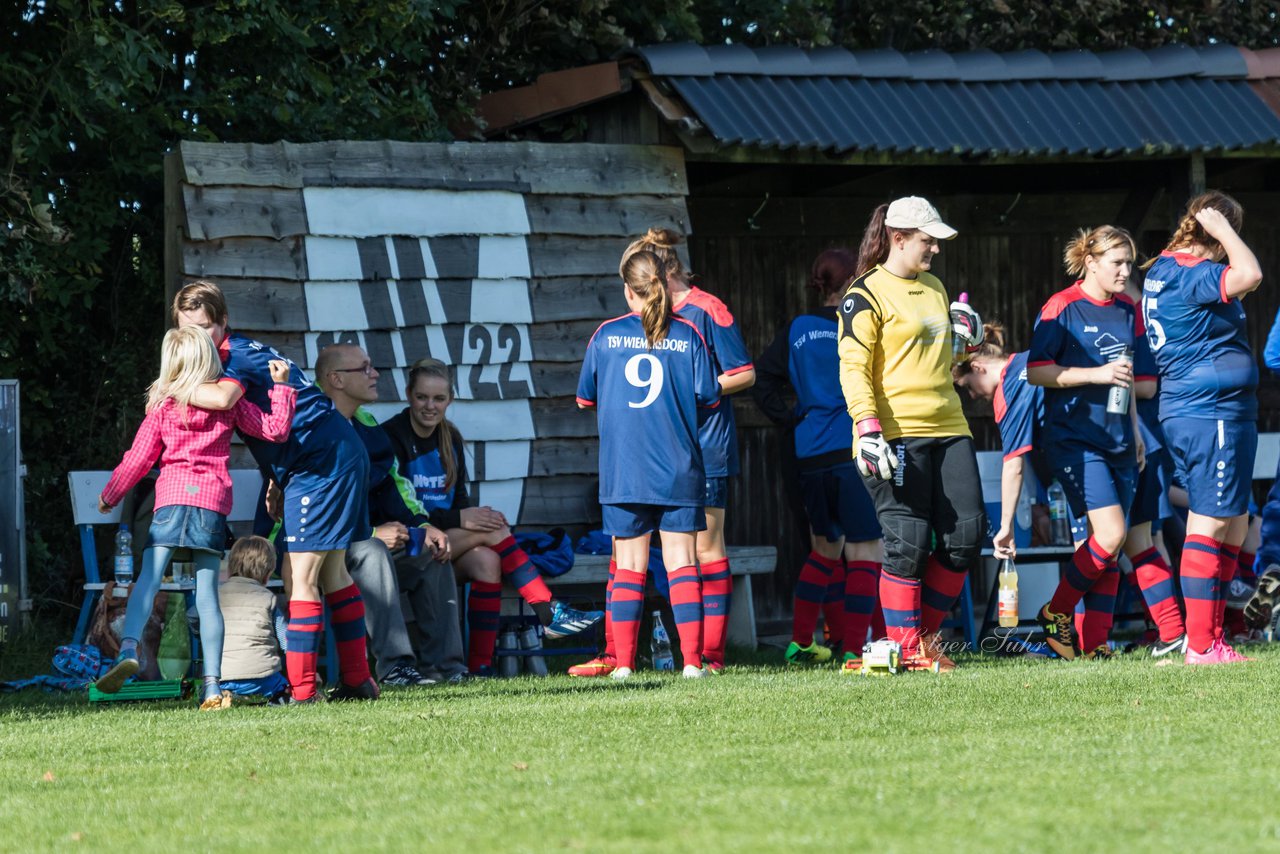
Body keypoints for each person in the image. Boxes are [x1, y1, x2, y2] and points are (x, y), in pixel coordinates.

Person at [172, 280, 377, 702]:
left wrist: (171, 383)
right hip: (332, 453)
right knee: (334, 573)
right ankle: (358, 680)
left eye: (204, 328)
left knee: (297, 577)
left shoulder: (231, 357)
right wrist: (275, 476)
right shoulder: (245, 348)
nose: (197, 339)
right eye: (187, 330)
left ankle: (303, 692)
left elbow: (224, 398)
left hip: (320, 463)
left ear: (223, 323)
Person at [93, 326, 296, 708]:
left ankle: (129, 649)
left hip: (170, 499)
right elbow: (275, 431)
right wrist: (282, 388)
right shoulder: (228, 404)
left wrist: (110, 496)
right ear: (210, 359)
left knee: (148, 580)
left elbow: (137, 461)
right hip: (211, 504)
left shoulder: (162, 407)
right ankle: (213, 686)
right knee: (207, 596)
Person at [838, 197, 986, 672]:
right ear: (898, 238)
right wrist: (866, 427)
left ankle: (914, 641)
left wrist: (967, 341)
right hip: (892, 433)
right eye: (928, 241)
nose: (935, 250)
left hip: (948, 425)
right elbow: (853, 367)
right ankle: (907, 648)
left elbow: (940, 361)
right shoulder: (864, 294)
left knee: (966, 536)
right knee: (909, 540)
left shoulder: (936, 288)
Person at [382, 358, 603, 674]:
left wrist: (462, 517)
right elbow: (398, 508)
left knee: (488, 560)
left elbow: (458, 502)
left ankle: (479, 668)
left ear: (450, 400)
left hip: (442, 545)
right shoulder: (392, 436)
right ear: (408, 395)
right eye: (422, 397)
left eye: (439, 398)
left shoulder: (450, 438)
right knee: (494, 529)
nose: (429, 406)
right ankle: (547, 611)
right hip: (407, 544)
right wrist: (460, 519)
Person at [615, 227, 755, 672]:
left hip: (704, 449)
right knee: (627, 554)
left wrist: (693, 390)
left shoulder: (707, 310)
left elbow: (745, 372)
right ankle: (618, 654)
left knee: (705, 551)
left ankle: (711, 655)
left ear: (665, 270)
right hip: (653, 454)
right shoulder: (640, 318)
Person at [577, 249, 721, 679]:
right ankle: (692, 664)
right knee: (681, 562)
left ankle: (622, 665)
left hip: (625, 470)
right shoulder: (689, 335)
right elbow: (709, 396)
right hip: (679, 468)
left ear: (628, 290)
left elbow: (585, 398)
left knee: (629, 565)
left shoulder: (605, 335)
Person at [1141, 191, 1263, 664]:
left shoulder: (1167, 268)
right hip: (1207, 409)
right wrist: (1227, 232)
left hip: (1217, 410)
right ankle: (1201, 644)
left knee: (1231, 524)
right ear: (1215, 230)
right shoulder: (1192, 273)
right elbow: (1249, 273)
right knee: (1209, 524)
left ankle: (1215, 636)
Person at [753, 248, 884, 672]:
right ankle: (854, 652)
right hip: (850, 447)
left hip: (808, 452)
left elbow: (762, 379)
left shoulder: (798, 328)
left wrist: (789, 417)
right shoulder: (859, 324)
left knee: (825, 550)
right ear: (851, 282)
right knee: (867, 552)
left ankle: (800, 643)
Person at [1027, 225, 1147, 661]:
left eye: (1129, 262)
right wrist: (1095, 375)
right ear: (1091, 262)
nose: (1125, 270)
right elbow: (1036, 371)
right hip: (1075, 440)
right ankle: (1055, 612)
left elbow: (1128, 376)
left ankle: (1094, 645)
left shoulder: (1126, 308)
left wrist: (1134, 431)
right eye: (1117, 262)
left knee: (1105, 549)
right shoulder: (1062, 306)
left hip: (1118, 439)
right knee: (1112, 535)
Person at [313, 343, 453, 686]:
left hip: (360, 544)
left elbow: (393, 485)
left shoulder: (366, 425)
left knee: (430, 552)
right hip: (312, 552)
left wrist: (423, 525)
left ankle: (447, 667)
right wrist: (371, 534)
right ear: (336, 379)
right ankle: (395, 668)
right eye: (364, 368)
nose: (374, 374)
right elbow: (309, 510)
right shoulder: (311, 425)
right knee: (373, 551)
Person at [218, 536, 291, 703]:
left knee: (207, 691)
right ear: (267, 573)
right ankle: (272, 699)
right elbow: (286, 641)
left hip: (222, 677)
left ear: (230, 567)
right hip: (263, 677)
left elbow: (193, 616)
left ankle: (229, 696)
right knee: (283, 689)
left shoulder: (216, 596)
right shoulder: (268, 598)